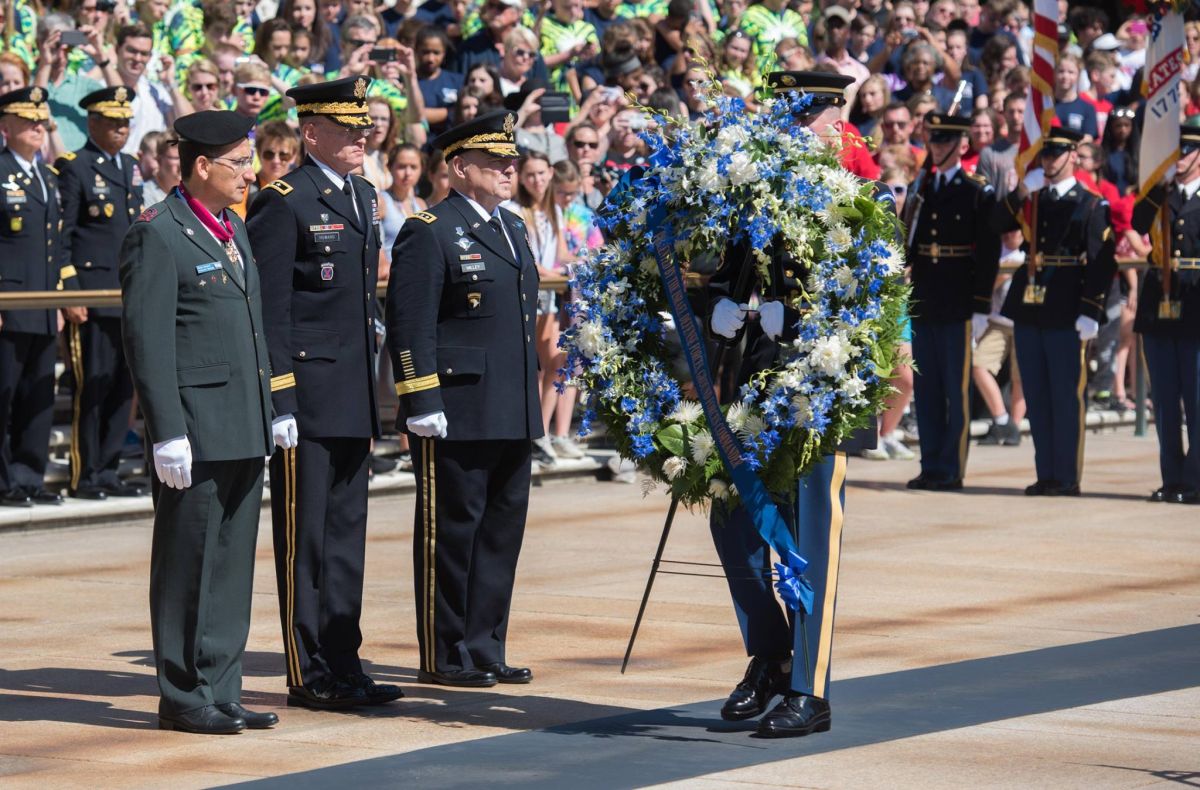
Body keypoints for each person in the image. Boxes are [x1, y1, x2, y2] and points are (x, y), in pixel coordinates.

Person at [706, 71, 886, 739]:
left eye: (810, 111)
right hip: (755, 385)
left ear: (837, 116)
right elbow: (725, 273)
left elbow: (875, 293)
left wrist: (805, 318)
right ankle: (772, 657)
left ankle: (811, 689)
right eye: (790, 111)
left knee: (811, 541)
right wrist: (716, 307)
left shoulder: (857, 193)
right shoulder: (756, 190)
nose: (798, 124)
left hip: (821, 394)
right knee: (734, 519)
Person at [246, 75, 402, 710]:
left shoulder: (364, 196)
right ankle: (307, 669)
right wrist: (280, 398)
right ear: (311, 132)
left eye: (363, 125)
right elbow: (271, 311)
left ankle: (345, 658)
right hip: (306, 395)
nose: (362, 135)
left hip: (351, 390)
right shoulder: (283, 200)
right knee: (305, 539)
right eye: (347, 127)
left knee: (346, 536)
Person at [120, 110, 276, 735]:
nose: (251, 172)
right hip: (195, 425)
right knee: (188, 562)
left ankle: (222, 684)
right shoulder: (157, 233)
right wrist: (166, 431)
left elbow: (249, 324)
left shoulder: (231, 225)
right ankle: (184, 693)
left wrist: (272, 407)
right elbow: (148, 340)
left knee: (233, 562)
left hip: (243, 417)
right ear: (203, 166)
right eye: (240, 162)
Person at [386, 109, 540, 688]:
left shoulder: (513, 227)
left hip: (511, 406)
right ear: (458, 168)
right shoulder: (429, 229)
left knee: (501, 534)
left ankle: (484, 645)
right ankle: (445, 651)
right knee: (452, 533)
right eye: (495, 162)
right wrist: (420, 398)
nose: (509, 169)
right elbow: (410, 322)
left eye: (510, 160)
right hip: (456, 408)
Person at [991, 127, 1115, 496]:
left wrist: (1091, 310)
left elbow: (1100, 262)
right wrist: (1020, 193)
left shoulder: (1091, 203)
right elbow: (995, 225)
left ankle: (1066, 476)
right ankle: (1046, 472)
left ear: (1074, 155)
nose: (1048, 160)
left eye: (1057, 153)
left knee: (1064, 396)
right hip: (1031, 307)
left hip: (1067, 306)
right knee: (1038, 396)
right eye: (1046, 154)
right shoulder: (1035, 199)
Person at [57, 86, 146, 500]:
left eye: (126, 122)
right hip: (92, 295)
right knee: (90, 386)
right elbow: (63, 235)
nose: (121, 129)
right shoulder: (74, 167)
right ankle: (84, 473)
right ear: (92, 123)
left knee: (122, 387)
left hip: (127, 294)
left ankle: (109, 469)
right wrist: (70, 289)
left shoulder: (129, 166)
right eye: (113, 122)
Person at [904, 112, 999, 489]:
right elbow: (911, 241)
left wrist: (980, 305)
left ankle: (952, 467)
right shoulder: (923, 185)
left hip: (959, 299)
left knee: (954, 391)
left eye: (945, 141)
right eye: (934, 141)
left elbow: (988, 252)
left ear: (961, 145)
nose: (938, 147)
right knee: (926, 388)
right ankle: (931, 464)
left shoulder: (977, 190)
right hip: (926, 296)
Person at [0, 88, 65, 507]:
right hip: (10, 303)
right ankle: (4, 480)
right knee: (4, 393)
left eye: (41, 120)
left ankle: (28, 476)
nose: (38, 126)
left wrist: (57, 298)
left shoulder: (48, 176)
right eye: (28, 120)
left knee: (38, 395)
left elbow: (53, 244)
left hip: (41, 303)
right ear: (6, 127)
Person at [1129, 125, 1200, 504]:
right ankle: (1172, 478)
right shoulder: (1160, 194)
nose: (1181, 158)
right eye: (1176, 152)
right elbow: (1138, 225)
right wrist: (1158, 184)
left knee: (1198, 399)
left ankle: (1195, 480)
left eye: (1187, 151)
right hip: (1160, 302)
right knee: (1166, 399)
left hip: (1196, 303)